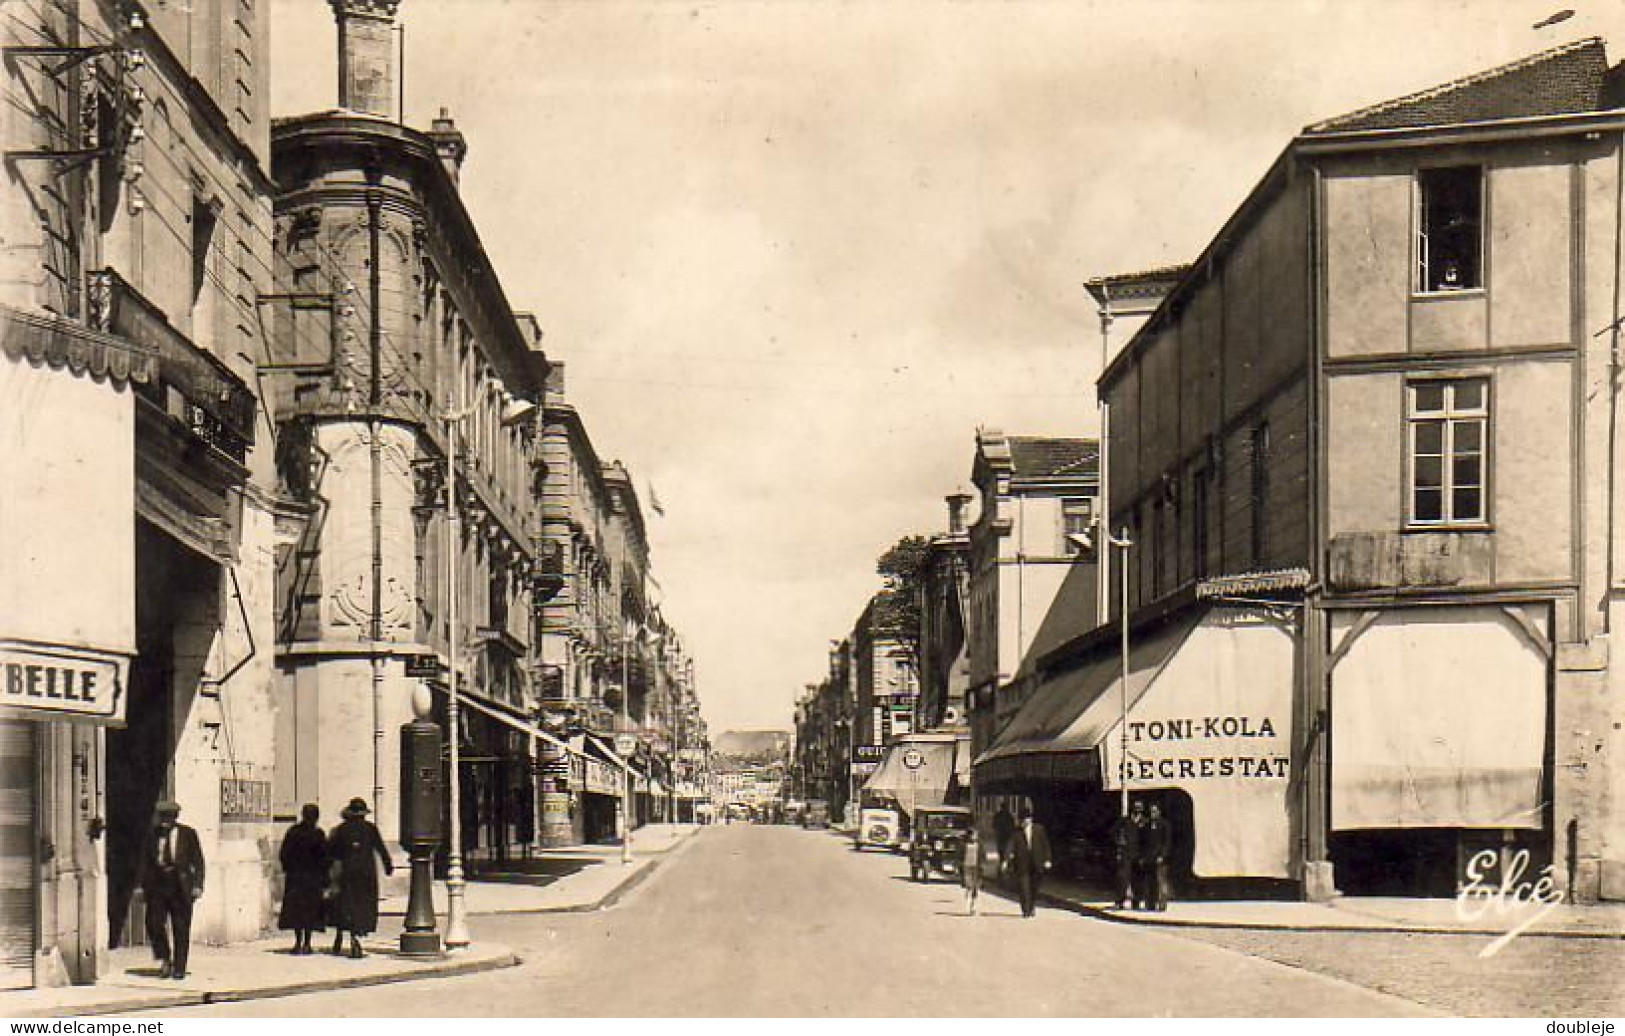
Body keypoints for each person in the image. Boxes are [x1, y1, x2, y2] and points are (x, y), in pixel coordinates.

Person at [138, 801, 204, 980]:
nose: (165, 821)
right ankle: (165, 958)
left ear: (175, 817)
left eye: (169, 816)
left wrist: (198, 885)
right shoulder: (152, 835)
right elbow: (145, 863)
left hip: (180, 886)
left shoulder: (188, 834)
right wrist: (143, 886)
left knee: (181, 927)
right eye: (163, 816)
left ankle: (179, 967)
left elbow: (198, 861)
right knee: (154, 923)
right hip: (158, 885)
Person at [327, 798, 394, 959]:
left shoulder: (341, 830)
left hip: (347, 873)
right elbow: (381, 848)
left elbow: (331, 853)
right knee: (363, 905)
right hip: (366, 874)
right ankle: (356, 936)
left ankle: (342, 934)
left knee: (346, 904)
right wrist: (388, 866)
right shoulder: (370, 829)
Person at [277, 803, 328, 955]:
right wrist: (324, 877)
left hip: (296, 879)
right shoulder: (318, 834)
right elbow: (325, 857)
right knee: (310, 912)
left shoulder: (293, 832)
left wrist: (289, 869)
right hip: (313, 880)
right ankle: (307, 943)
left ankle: (298, 943)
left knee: (297, 912)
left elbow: (284, 854)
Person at [1008, 806, 1052, 919]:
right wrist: (1008, 855)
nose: (1023, 822)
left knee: (1034, 887)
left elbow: (1045, 845)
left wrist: (1047, 859)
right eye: (1021, 820)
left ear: (1030, 819)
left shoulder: (1039, 829)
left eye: (1025, 819)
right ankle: (1025, 910)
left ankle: (1032, 906)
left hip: (1036, 863)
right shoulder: (1016, 832)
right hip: (1022, 864)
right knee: (1024, 888)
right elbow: (1011, 844)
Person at [1112, 800, 1147, 910]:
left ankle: (1136, 902)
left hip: (1139, 854)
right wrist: (1119, 841)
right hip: (1126, 853)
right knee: (1123, 878)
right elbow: (1113, 831)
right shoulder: (1125, 820)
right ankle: (1119, 901)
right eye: (1136, 807)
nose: (1138, 810)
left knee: (1138, 879)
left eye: (1140, 807)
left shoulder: (1145, 821)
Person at [1142, 802, 1173, 912]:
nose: (1152, 814)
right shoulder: (1147, 825)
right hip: (1149, 858)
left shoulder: (1165, 825)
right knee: (1150, 882)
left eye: (1154, 811)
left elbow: (1166, 842)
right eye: (1151, 812)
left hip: (1160, 858)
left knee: (1161, 881)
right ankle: (1150, 903)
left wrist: (1162, 855)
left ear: (1159, 812)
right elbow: (1144, 842)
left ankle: (1162, 904)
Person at [961, 828, 983, 917]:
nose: (974, 837)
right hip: (967, 867)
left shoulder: (980, 846)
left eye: (976, 835)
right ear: (969, 835)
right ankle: (968, 892)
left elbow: (983, 856)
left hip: (976, 868)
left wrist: (983, 864)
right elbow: (959, 856)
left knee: (975, 887)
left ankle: (973, 906)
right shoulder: (963, 845)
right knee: (968, 885)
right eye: (973, 835)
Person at [992, 803, 1016, 882]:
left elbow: (994, 826)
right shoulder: (1009, 816)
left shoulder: (1000, 816)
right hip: (1005, 839)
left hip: (1004, 839)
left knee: (1003, 857)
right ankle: (1003, 875)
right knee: (1005, 857)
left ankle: (1002, 875)